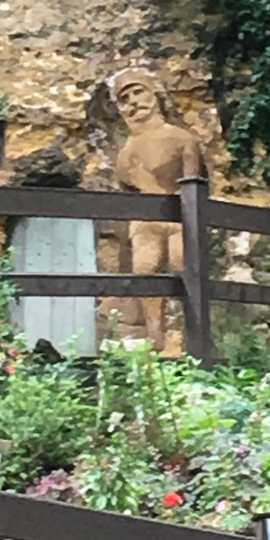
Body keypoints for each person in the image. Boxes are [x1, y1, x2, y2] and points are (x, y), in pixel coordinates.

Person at [112, 69, 205, 349]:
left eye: (139, 92)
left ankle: (191, 340)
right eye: (124, 98)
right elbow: (127, 190)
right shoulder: (125, 153)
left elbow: (195, 181)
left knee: (184, 265)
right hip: (146, 220)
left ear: (155, 95)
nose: (133, 102)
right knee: (145, 273)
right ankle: (155, 340)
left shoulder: (181, 139)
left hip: (180, 214)